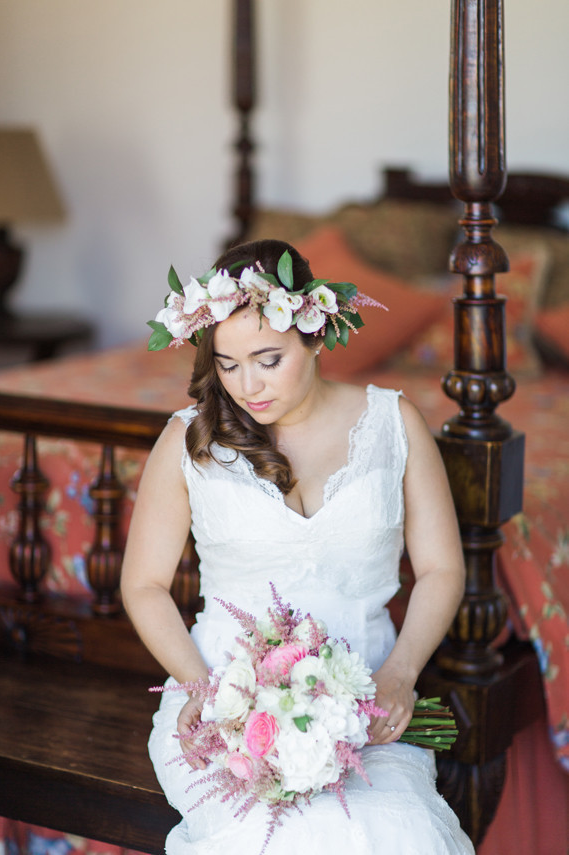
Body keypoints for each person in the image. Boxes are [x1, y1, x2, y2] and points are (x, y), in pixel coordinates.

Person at [121, 239, 474, 854]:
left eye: (268, 359)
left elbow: (442, 568)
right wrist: (201, 688)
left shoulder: (393, 424)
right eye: (227, 365)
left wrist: (401, 674)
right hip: (223, 706)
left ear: (315, 335)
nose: (247, 386)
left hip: (368, 708)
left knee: (397, 832)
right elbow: (144, 584)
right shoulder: (188, 440)